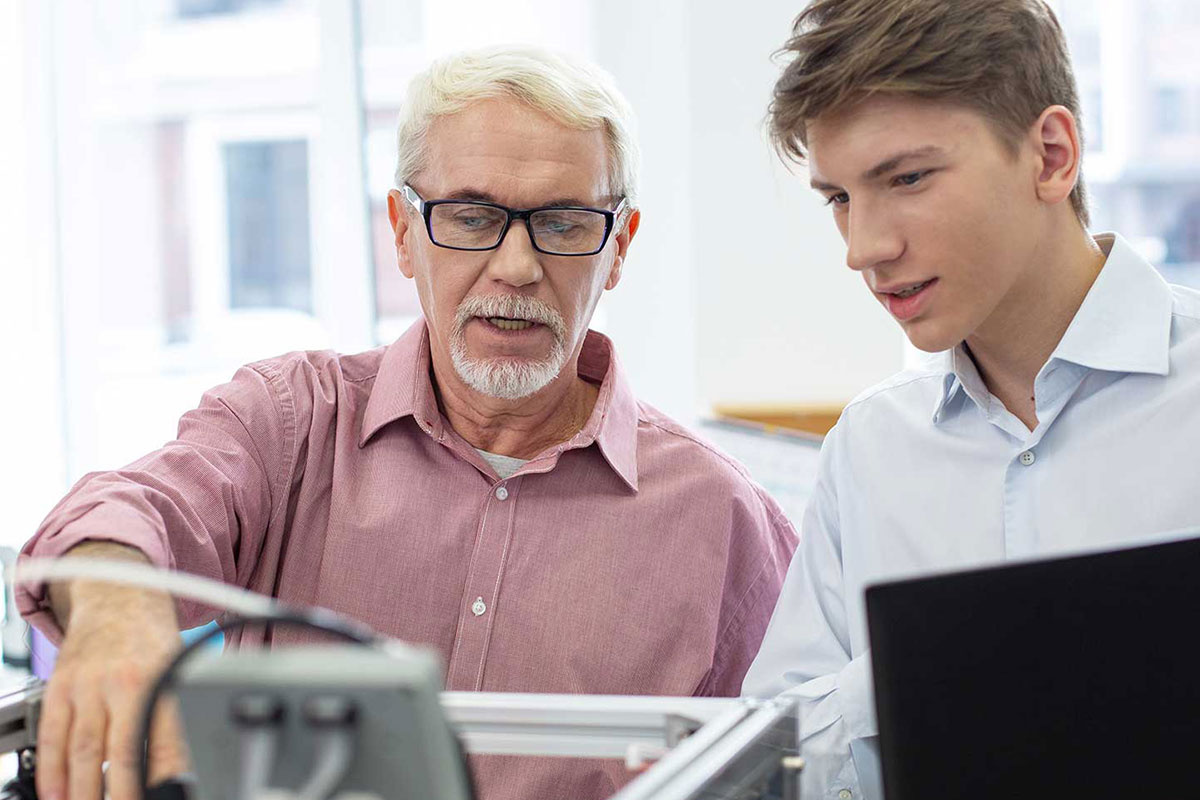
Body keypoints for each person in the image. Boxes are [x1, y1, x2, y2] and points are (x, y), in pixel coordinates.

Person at [20, 46, 798, 800]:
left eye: (563, 224)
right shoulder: (291, 426)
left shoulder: (726, 523)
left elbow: (803, 761)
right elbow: (132, 513)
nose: (517, 266)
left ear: (618, 249)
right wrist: (119, 607)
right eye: (469, 216)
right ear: (401, 230)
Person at [742, 1, 1200, 798]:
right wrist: (926, 661)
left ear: (1051, 156)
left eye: (907, 178)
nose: (863, 249)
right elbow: (773, 763)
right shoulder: (871, 445)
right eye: (840, 198)